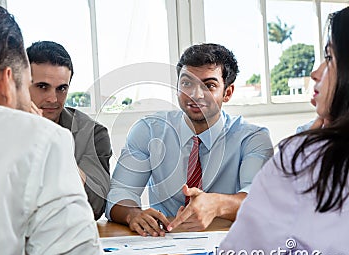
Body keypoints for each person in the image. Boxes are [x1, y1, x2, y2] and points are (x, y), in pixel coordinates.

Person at [0, 3, 107, 255]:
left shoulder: (91, 131)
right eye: (36, 85)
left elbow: (98, 202)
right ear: (7, 83)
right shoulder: (39, 138)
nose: (52, 99)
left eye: (61, 89)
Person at [209, 7, 349, 255]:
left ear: (228, 92)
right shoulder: (151, 131)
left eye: (329, 57)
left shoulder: (302, 157)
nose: (315, 73)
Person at [106, 43, 274, 236]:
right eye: (187, 83)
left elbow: (260, 200)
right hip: (163, 241)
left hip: (229, 242)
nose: (195, 94)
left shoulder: (253, 137)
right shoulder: (149, 130)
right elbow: (119, 194)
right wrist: (132, 214)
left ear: (227, 93)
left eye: (209, 85)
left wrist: (217, 204)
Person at [27, 41, 112, 220]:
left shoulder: (93, 134)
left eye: (61, 89)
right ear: (22, 84)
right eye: (42, 87)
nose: (53, 99)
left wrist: (57, 145)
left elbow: (95, 206)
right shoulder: (1, 126)